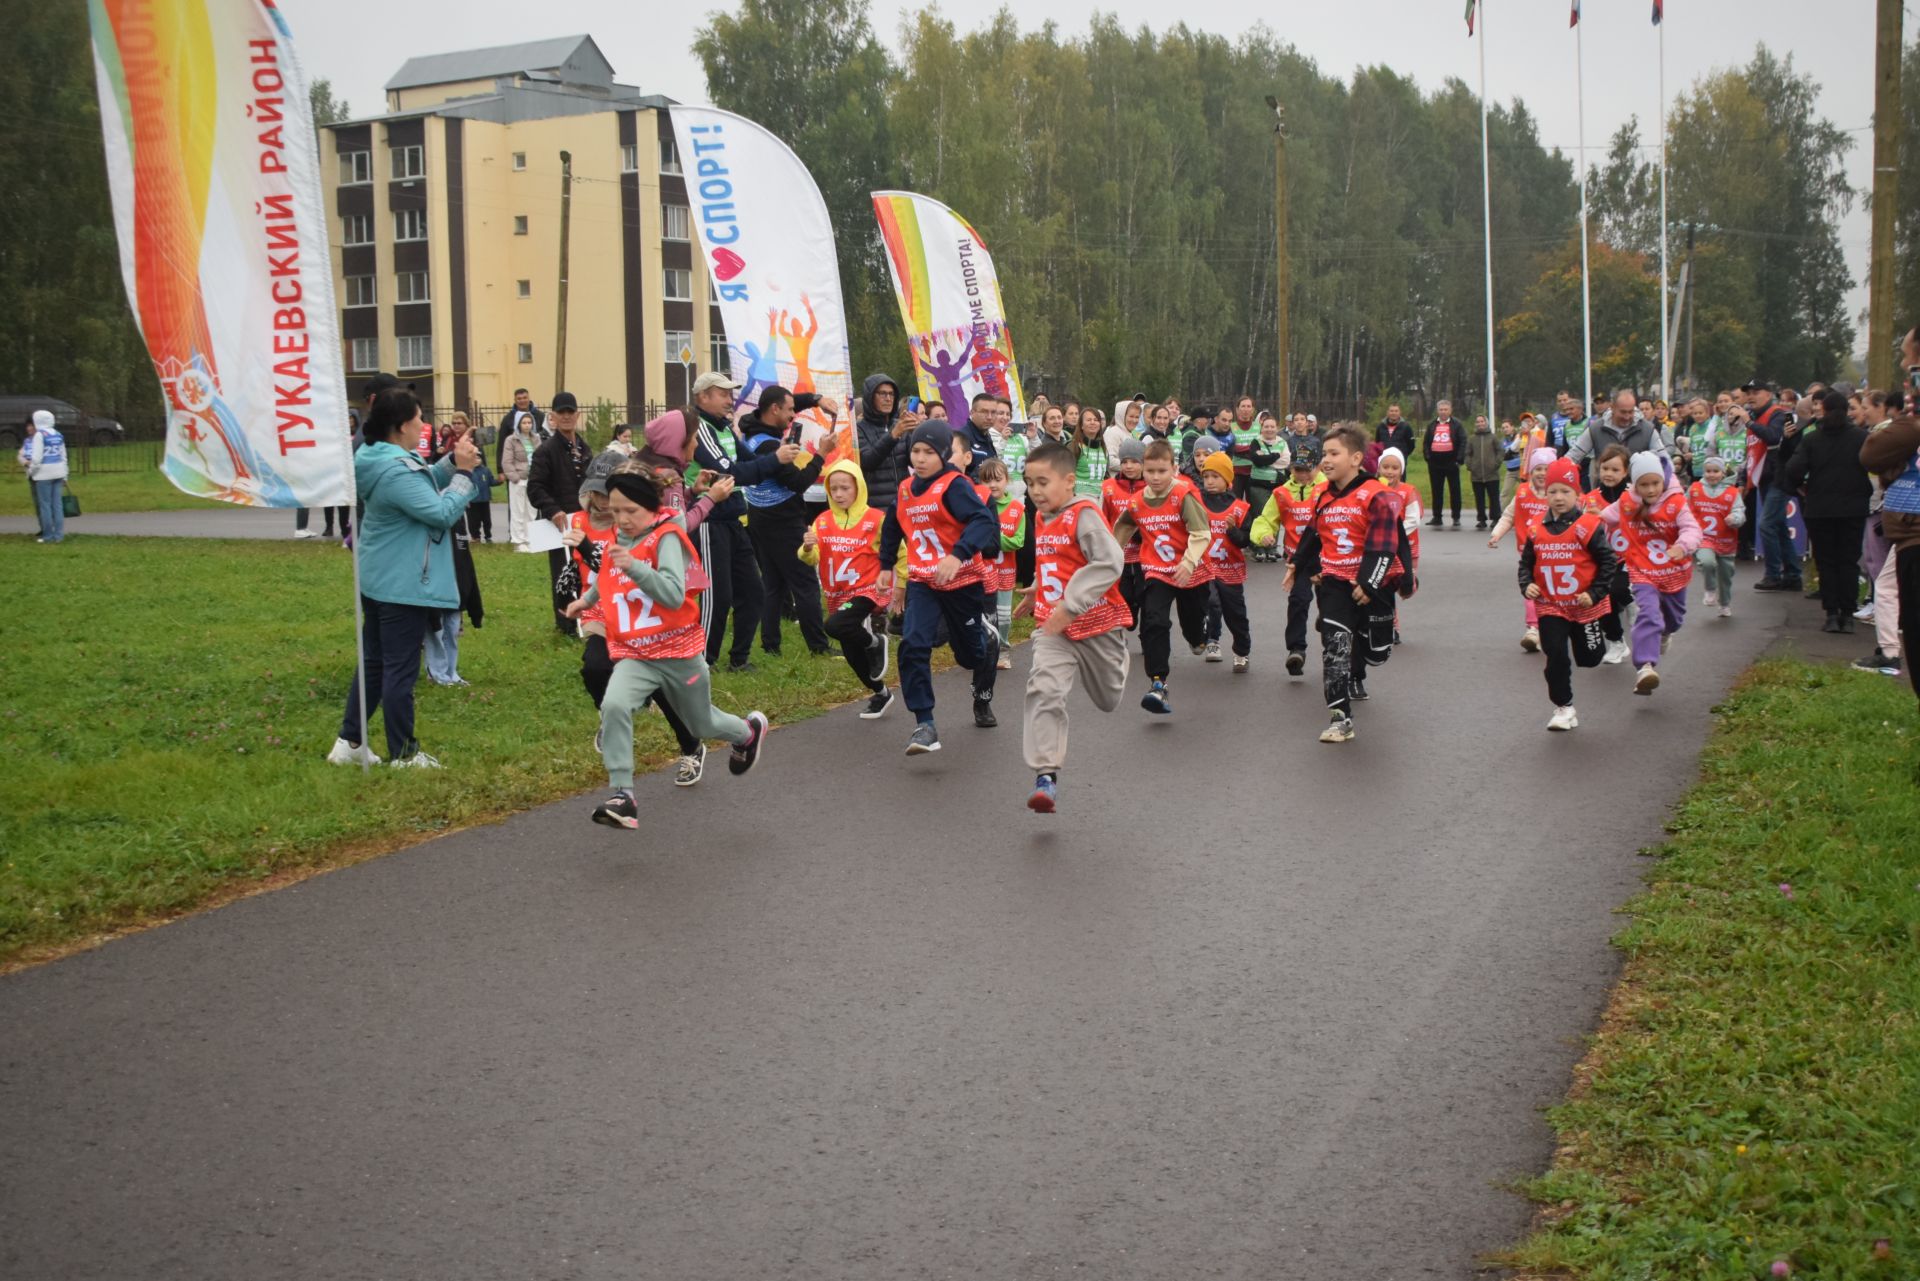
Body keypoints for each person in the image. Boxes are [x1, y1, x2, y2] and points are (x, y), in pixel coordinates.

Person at [566, 471, 768, 828]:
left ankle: (747, 733)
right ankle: (622, 795)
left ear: (650, 507)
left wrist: (638, 570)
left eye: (630, 510)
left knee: (700, 722)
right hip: (636, 652)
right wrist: (585, 600)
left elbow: (674, 594)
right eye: (615, 512)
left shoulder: (667, 537)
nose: (622, 519)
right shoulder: (620, 536)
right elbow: (609, 572)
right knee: (613, 705)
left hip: (678, 652)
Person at [328, 389, 480, 769]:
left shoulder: (379, 457)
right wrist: (463, 473)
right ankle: (404, 754)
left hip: (381, 576)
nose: (423, 425)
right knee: (399, 668)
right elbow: (440, 511)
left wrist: (449, 462)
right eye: (418, 419)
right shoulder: (394, 469)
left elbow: (422, 479)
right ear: (399, 428)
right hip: (402, 583)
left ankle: (350, 743)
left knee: (375, 662)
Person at [1013, 442, 1133, 814]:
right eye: (1029, 482)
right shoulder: (1041, 516)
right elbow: (1053, 558)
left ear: (1068, 481)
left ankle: (1117, 661)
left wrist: (1070, 603)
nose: (1035, 491)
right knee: (1044, 689)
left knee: (1109, 699)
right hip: (1055, 628)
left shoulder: (1084, 514)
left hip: (1098, 625)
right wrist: (1039, 589)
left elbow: (1110, 561)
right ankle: (1045, 776)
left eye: (1042, 482)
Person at [880, 420, 1004, 753]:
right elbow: (892, 526)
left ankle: (984, 636)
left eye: (928, 452)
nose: (920, 458)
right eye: (915, 451)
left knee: (969, 656)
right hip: (924, 582)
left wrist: (957, 555)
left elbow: (982, 521)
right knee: (913, 644)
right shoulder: (906, 488)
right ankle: (925, 724)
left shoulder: (955, 486)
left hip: (962, 583)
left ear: (944, 455)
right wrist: (885, 565)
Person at [1284, 424, 1407, 743]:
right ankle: (1340, 717)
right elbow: (1312, 535)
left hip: (1371, 584)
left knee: (1377, 653)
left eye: (1333, 453)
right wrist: (1298, 564)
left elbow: (1386, 545)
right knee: (1334, 647)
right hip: (1335, 582)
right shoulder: (1322, 495)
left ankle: (1367, 642)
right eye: (1324, 453)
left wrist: (1368, 583)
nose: (1325, 459)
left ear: (1355, 458)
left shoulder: (1377, 495)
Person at [690, 371, 802, 672]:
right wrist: (775, 460)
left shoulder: (724, 426)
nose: (730, 400)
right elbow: (731, 472)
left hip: (733, 518)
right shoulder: (699, 428)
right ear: (703, 397)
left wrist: (770, 461)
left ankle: (739, 658)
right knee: (719, 594)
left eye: (730, 394)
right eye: (723, 394)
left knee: (753, 590)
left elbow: (749, 463)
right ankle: (703, 661)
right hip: (708, 519)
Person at [1111, 439, 1209, 714]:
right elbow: (1121, 530)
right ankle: (1158, 683)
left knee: (1193, 628)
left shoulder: (1183, 494)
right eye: (1150, 471)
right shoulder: (1138, 501)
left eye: (1161, 471)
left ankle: (1198, 635)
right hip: (1156, 569)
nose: (1155, 477)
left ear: (1174, 469)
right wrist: (1108, 558)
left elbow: (1202, 533)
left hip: (1188, 568)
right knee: (1153, 621)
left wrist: (1189, 562)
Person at [1519, 458, 1617, 732]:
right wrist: (1527, 585)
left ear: (1577, 494)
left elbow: (1608, 562)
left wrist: (1595, 593)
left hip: (1584, 605)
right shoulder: (1537, 529)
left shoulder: (1589, 526)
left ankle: (1594, 640)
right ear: (1545, 494)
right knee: (1555, 655)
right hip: (1551, 605)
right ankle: (1564, 707)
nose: (1559, 498)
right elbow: (1526, 564)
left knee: (1590, 658)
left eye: (1565, 492)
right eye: (1553, 492)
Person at [802, 458, 899, 719]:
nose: (839, 494)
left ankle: (876, 641)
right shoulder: (822, 521)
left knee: (833, 626)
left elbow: (900, 552)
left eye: (845, 487)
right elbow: (811, 558)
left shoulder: (876, 519)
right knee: (853, 654)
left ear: (858, 488)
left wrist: (899, 583)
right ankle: (880, 693)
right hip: (838, 594)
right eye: (833, 489)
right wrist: (808, 547)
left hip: (868, 589)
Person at [737, 385, 829, 658]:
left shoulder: (752, 428)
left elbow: (788, 402)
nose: (793, 415)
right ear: (774, 409)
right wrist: (821, 454)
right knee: (805, 582)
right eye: (789, 410)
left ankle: (770, 644)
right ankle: (819, 647)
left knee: (774, 583)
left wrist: (816, 398)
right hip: (783, 520)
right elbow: (798, 482)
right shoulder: (770, 447)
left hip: (759, 516)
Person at [1597, 453, 1701, 696]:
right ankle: (1645, 667)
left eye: (1655, 483)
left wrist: (1682, 546)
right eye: (1644, 484)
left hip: (1674, 571)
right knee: (1649, 614)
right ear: (1635, 483)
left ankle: (1665, 633)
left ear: (1663, 480)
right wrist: (1583, 524)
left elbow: (1692, 528)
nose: (1651, 489)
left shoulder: (1675, 502)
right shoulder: (1627, 501)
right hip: (1643, 571)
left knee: (1673, 620)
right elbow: (1604, 518)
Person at [1779, 388, 1870, 633]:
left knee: (1827, 560)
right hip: (1853, 507)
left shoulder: (1812, 438)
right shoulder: (1861, 437)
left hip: (1820, 506)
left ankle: (1831, 614)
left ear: (1826, 410)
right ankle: (1848, 615)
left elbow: (1793, 468)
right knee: (1849, 561)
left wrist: (1799, 488)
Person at [1251, 455, 1327, 675]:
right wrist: (1264, 534)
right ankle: (1296, 650)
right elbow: (1265, 519)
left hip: (1326, 557)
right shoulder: (1281, 493)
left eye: (1307, 470)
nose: (1302, 475)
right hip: (1299, 559)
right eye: (1298, 470)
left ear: (1316, 467)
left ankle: (1331, 644)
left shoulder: (1327, 488)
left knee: (1329, 603)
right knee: (1298, 600)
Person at [526, 391, 595, 632]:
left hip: (586, 521)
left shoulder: (585, 449)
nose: (566, 417)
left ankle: (590, 618)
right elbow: (535, 488)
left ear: (577, 415)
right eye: (561, 412)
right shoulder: (545, 451)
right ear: (553, 417)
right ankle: (566, 623)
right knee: (564, 572)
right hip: (561, 524)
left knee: (589, 568)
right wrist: (553, 510)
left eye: (570, 412)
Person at [1735, 381, 1805, 593]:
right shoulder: (1755, 416)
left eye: (1756, 392)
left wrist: (1749, 423)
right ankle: (1792, 574)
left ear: (1768, 394)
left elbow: (1775, 437)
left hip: (1779, 477)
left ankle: (1773, 574)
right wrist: (1743, 479)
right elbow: (1751, 451)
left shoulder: (1778, 414)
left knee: (1766, 525)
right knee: (1778, 526)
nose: (1751, 397)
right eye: (1748, 393)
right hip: (1765, 478)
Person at [1488, 448, 1556, 652]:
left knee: (1552, 591)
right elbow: (1509, 516)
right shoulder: (1522, 493)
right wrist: (1497, 534)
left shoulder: (1558, 494)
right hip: (1529, 553)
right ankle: (1533, 629)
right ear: (1530, 472)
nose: (1542, 473)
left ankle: (1555, 625)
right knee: (1530, 587)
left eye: (1547, 469)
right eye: (1538, 469)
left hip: (1555, 553)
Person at [1193, 451, 1254, 672]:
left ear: (1227, 479)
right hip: (1205, 566)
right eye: (1206, 476)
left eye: (1215, 476)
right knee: (1210, 602)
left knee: (1235, 614)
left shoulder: (1239, 508)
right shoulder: (1196, 502)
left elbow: (1245, 541)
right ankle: (1209, 638)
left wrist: (1233, 532)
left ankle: (1242, 651)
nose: (1209, 481)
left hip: (1231, 569)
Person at [1584, 445, 1636, 663]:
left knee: (1617, 592)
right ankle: (1616, 642)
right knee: (1601, 599)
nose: (1609, 474)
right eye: (1605, 468)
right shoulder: (1590, 498)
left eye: (1615, 470)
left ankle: (1632, 602)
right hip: (1602, 560)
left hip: (1630, 558)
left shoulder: (1634, 494)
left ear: (1625, 472)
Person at [974, 458, 1026, 664]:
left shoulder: (1016, 508)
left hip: (1004, 572)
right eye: (987, 480)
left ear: (1007, 480)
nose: (993, 485)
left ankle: (1002, 650)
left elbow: (1018, 541)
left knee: (1003, 617)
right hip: (980, 572)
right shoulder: (975, 506)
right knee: (982, 615)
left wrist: (994, 535)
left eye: (998, 479)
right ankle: (982, 651)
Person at [1566, 389, 1671, 478]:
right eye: (1623, 412)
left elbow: (1665, 460)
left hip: (1636, 494)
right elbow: (1573, 456)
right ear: (1612, 407)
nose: (1627, 417)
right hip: (1605, 494)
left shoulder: (1648, 430)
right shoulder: (1595, 429)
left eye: (1631, 412)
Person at [1688, 456, 1745, 618]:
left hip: (1726, 539)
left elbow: (1739, 511)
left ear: (1723, 473)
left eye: (1715, 471)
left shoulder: (1732, 492)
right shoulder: (1695, 489)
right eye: (1708, 471)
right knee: (1707, 562)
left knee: (1726, 576)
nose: (1711, 475)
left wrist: (1735, 519)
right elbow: (1683, 507)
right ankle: (1710, 588)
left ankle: (1725, 604)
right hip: (1703, 537)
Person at [854, 373, 919, 511]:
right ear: (870, 397)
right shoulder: (858, 428)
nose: (888, 398)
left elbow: (915, 461)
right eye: (882, 394)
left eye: (891, 394)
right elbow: (867, 462)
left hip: (905, 503)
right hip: (875, 506)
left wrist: (916, 433)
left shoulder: (900, 424)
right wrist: (893, 435)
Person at [1102, 439, 1149, 630]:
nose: (1129, 466)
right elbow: (1103, 519)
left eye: (1134, 461)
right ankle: (1130, 614)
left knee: (1145, 597)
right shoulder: (1108, 488)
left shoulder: (1150, 488)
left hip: (1144, 556)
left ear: (1144, 463)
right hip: (1118, 555)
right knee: (1125, 597)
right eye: (1124, 461)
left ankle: (1148, 638)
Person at [21, 410, 67, 544]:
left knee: (45, 506)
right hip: (58, 472)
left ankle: (47, 536)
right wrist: (65, 474)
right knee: (57, 505)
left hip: (43, 474)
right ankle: (58, 536)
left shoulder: (39, 435)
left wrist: (31, 472)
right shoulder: (59, 434)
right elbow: (63, 456)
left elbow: (36, 459)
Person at [1246, 417, 1289, 556]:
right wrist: (1276, 456)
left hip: (1277, 485)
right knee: (1260, 516)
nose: (1269, 429)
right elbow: (1257, 461)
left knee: (1275, 517)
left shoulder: (1282, 442)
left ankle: (1272, 547)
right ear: (1261, 428)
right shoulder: (1256, 442)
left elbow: (1286, 462)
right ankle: (1259, 547)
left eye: (1272, 426)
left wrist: (1267, 459)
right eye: (1266, 426)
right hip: (1259, 485)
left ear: (1277, 428)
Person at [1421, 399, 1465, 528]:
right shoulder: (1431, 424)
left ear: (1450, 410)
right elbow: (1426, 443)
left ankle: (1456, 517)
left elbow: (1463, 441)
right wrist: (1428, 458)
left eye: (1446, 409)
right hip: (1435, 463)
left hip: (1451, 462)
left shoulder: (1457, 424)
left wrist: (1459, 459)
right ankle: (1437, 517)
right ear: (1437, 411)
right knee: (1436, 491)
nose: (1443, 412)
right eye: (1441, 409)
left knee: (1455, 491)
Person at [501, 408, 541, 549]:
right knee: (518, 511)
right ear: (518, 424)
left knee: (531, 511)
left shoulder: (536, 439)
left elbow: (541, 458)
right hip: (519, 479)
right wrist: (515, 477)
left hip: (533, 479)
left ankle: (530, 539)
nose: (527, 425)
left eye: (529, 422)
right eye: (524, 422)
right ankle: (518, 541)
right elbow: (506, 461)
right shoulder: (511, 440)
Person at [1464, 413, 1504, 529]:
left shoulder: (1493, 437)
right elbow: (1467, 454)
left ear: (1486, 423)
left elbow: (1500, 451)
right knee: (1479, 498)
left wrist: (1496, 464)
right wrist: (1470, 466)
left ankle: (1495, 518)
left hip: (1492, 474)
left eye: (1482, 421)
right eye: (1478, 422)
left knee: (1493, 497)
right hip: (1476, 475)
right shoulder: (1472, 439)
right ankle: (1481, 519)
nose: (1480, 424)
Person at [493, 388, 545, 472]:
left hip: (537, 462)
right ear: (515, 400)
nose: (522, 401)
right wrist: (500, 469)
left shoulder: (540, 416)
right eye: (519, 399)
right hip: (516, 465)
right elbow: (501, 445)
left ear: (529, 398)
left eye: (525, 398)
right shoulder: (508, 419)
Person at [1071, 408, 1110, 496]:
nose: (1092, 422)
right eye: (1088, 420)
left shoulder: (1103, 448)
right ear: (1081, 425)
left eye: (1096, 420)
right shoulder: (1074, 446)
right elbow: (1065, 474)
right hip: (1079, 497)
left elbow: (1106, 477)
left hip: (1100, 499)